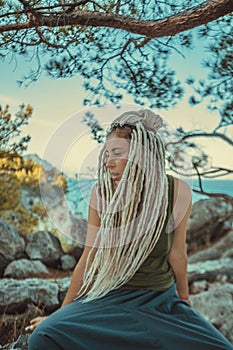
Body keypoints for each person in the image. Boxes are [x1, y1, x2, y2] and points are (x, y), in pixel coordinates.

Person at [28, 109, 233, 350]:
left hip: (161, 302)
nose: (108, 161)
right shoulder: (101, 193)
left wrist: (184, 301)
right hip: (110, 299)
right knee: (43, 337)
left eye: (117, 153)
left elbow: (177, 254)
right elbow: (89, 256)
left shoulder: (177, 191)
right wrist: (62, 313)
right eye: (107, 154)